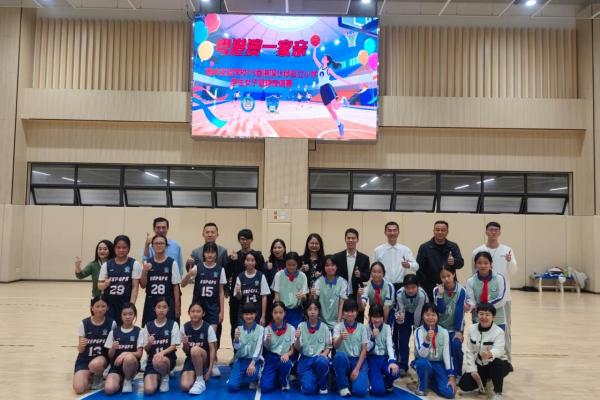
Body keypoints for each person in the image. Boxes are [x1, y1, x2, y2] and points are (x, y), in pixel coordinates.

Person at [472, 222, 517, 362]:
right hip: (481, 300)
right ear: (486, 232)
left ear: (499, 232)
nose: (493, 232)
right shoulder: (477, 251)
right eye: (490, 230)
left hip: (503, 299)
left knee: (505, 330)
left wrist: (509, 261)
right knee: (480, 329)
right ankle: (480, 359)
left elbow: (513, 272)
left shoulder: (507, 250)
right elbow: (474, 275)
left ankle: (506, 360)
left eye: (496, 230)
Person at [181, 241, 226, 378]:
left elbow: (221, 292)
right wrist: (189, 274)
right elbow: (183, 284)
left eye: (212, 252)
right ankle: (197, 360)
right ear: (203, 254)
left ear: (216, 254)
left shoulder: (220, 269)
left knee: (212, 336)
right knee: (198, 333)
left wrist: (222, 311)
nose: (210, 255)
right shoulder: (197, 267)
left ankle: (213, 362)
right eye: (207, 252)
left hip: (213, 307)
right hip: (198, 306)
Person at [458, 303, 512, 400]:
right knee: (464, 385)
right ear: (477, 315)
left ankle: (498, 392)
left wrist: (491, 354)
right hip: (480, 364)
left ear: (493, 317)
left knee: (496, 363)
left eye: (487, 315)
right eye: (481, 314)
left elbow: (499, 350)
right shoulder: (471, 329)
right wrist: (472, 370)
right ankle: (486, 380)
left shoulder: (499, 332)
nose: (484, 317)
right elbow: (469, 351)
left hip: (498, 363)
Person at [227, 230, 266, 344]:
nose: (244, 241)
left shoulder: (257, 256)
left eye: (247, 239)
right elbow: (227, 274)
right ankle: (236, 350)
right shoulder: (234, 256)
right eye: (242, 239)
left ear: (251, 240)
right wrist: (231, 261)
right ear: (239, 240)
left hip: (254, 297)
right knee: (235, 325)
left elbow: (262, 273)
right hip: (237, 297)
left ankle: (256, 349)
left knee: (255, 325)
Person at [73, 296, 116, 395]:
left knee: (95, 364)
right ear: (92, 308)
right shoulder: (84, 323)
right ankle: (89, 375)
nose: (100, 309)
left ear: (107, 308)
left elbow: (111, 350)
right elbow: (80, 350)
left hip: (101, 360)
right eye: (97, 306)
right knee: (79, 389)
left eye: (103, 306)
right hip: (85, 359)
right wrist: (81, 346)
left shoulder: (111, 323)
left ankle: (98, 375)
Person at [413, 303, 457, 399]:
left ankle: (430, 381)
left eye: (433, 315)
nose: (430, 318)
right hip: (424, 362)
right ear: (422, 316)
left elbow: (447, 354)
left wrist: (451, 376)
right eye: (427, 315)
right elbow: (422, 355)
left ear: (437, 316)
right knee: (422, 363)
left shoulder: (444, 332)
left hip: (438, 364)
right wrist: (427, 340)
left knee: (449, 393)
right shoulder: (418, 331)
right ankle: (422, 386)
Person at [98, 235, 142, 325]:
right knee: (110, 328)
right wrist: (105, 284)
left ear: (128, 248)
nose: (121, 250)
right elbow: (99, 286)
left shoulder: (134, 264)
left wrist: (131, 305)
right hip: (109, 305)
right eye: (118, 247)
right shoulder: (106, 265)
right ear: (114, 248)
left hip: (125, 304)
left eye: (124, 247)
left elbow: (135, 287)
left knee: (124, 329)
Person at [140, 234, 181, 326]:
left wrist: (177, 307)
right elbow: (142, 285)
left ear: (166, 246)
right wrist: (144, 271)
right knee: (150, 328)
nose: (159, 245)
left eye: (161, 243)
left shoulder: (172, 263)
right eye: (156, 243)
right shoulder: (147, 262)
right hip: (151, 302)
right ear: (152, 246)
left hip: (167, 301)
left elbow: (176, 287)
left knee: (169, 328)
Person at [141, 297, 180, 394]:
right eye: (159, 307)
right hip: (152, 361)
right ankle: (157, 376)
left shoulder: (173, 324)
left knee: (158, 360)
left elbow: (174, 346)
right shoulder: (148, 325)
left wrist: (161, 353)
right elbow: (146, 349)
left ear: (168, 309)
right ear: (154, 309)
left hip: (167, 359)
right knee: (149, 390)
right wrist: (149, 343)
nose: (161, 310)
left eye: (164, 307)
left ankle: (165, 376)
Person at [312, 45, 353, 137]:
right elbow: (314, 57)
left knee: (336, 107)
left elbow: (336, 76)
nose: (322, 58)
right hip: (322, 90)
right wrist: (315, 47)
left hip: (327, 87)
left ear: (327, 61)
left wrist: (346, 81)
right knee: (330, 110)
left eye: (324, 57)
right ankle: (340, 125)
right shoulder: (320, 67)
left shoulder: (328, 69)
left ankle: (343, 100)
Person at [416, 221, 464, 300]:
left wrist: (454, 262)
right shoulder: (424, 247)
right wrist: (421, 286)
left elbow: (461, 263)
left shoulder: (453, 246)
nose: (440, 232)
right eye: (437, 230)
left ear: (447, 232)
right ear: (433, 231)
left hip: (450, 286)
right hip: (430, 287)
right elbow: (419, 269)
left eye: (443, 230)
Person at [332, 298, 369, 397]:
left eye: (352, 311)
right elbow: (335, 346)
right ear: (343, 313)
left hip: (357, 361)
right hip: (344, 360)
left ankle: (353, 380)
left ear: (357, 313)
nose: (349, 314)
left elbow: (364, 350)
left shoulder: (362, 328)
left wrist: (357, 369)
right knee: (339, 356)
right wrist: (340, 337)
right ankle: (343, 386)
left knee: (360, 391)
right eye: (347, 311)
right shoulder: (338, 327)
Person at [434, 265, 466, 376]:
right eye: (443, 277)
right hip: (441, 327)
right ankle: (444, 371)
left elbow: (459, 312)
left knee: (456, 346)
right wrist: (440, 296)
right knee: (440, 348)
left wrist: (458, 331)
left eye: (448, 275)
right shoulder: (436, 290)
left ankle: (457, 373)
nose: (446, 279)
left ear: (454, 274)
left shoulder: (461, 290)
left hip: (455, 327)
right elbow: (441, 310)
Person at [104, 302, 143, 395]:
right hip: (116, 367)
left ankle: (128, 379)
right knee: (109, 389)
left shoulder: (139, 331)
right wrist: (113, 349)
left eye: (130, 314)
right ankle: (120, 379)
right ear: (120, 316)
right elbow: (110, 355)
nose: (127, 317)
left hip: (131, 365)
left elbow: (139, 354)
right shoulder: (114, 332)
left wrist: (125, 353)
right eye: (124, 314)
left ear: (134, 315)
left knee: (129, 358)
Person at [394, 274, 429, 376]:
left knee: (419, 341)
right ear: (403, 287)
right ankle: (403, 364)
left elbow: (419, 312)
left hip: (420, 316)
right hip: (406, 315)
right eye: (407, 287)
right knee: (403, 341)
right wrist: (399, 318)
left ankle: (417, 362)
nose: (410, 290)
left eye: (413, 287)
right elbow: (400, 309)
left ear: (418, 286)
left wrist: (417, 329)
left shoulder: (421, 295)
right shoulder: (400, 294)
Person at [294, 300, 332, 395]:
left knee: (322, 362)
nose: (312, 312)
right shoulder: (301, 326)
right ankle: (310, 380)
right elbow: (297, 348)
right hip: (305, 360)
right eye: (310, 309)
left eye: (315, 309)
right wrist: (297, 338)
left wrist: (324, 354)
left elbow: (329, 346)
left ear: (319, 311)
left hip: (319, 359)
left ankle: (323, 385)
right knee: (308, 390)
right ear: (306, 311)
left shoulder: (324, 327)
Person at [333, 228, 370, 322]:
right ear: (345, 239)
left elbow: (367, 276)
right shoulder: (337, 257)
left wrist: (360, 275)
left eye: (353, 238)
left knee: (357, 321)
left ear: (357, 240)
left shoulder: (364, 258)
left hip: (357, 295)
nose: (351, 240)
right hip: (340, 294)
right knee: (341, 321)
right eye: (348, 238)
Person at [180, 302, 217, 395]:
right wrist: (185, 344)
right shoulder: (184, 328)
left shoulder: (208, 328)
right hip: (191, 359)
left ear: (203, 313)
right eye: (193, 311)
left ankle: (200, 381)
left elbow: (212, 350)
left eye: (198, 311)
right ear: (188, 313)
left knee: (195, 349)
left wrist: (209, 370)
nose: (195, 314)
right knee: (185, 386)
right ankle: (196, 374)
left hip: (204, 359)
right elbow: (185, 351)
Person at [227, 303, 264, 392]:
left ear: (255, 314)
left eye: (251, 314)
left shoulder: (261, 329)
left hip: (253, 361)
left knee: (253, 374)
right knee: (232, 387)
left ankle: (255, 377)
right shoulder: (238, 329)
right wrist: (236, 339)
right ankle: (241, 377)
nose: (249, 316)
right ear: (242, 315)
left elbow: (259, 348)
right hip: (241, 361)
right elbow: (236, 348)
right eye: (246, 314)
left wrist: (253, 363)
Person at [373, 221, 419, 292]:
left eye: (394, 230)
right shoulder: (378, 250)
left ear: (398, 232)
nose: (392, 233)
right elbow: (373, 270)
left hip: (401, 287)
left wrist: (409, 265)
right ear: (385, 232)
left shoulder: (405, 250)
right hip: (383, 286)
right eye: (389, 230)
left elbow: (416, 266)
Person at [466, 252, 507, 329]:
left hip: (497, 319)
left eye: (486, 263)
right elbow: (471, 300)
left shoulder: (499, 278)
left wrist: (483, 307)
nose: (482, 266)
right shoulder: (470, 281)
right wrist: (469, 306)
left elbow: (502, 299)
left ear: (491, 264)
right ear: (475, 265)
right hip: (478, 319)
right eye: (479, 263)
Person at [366, 304, 400, 396]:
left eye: (379, 317)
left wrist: (392, 361)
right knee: (378, 391)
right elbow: (367, 349)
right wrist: (373, 337)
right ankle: (373, 379)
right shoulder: (366, 328)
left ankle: (387, 383)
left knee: (395, 371)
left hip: (385, 358)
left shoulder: (387, 327)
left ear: (383, 317)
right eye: (374, 317)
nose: (377, 320)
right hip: (372, 359)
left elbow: (389, 345)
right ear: (370, 317)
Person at [261, 301, 295, 393]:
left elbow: (293, 350)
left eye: (281, 312)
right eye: (275, 312)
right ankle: (276, 376)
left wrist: (287, 354)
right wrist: (267, 341)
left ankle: (284, 379)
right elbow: (267, 348)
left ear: (285, 313)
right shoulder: (267, 329)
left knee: (286, 363)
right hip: (271, 359)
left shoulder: (291, 329)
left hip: (284, 358)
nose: (278, 315)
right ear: (272, 314)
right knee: (265, 387)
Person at [272, 252, 309, 328]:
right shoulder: (279, 275)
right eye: (289, 265)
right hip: (282, 311)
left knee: (296, 332)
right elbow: (276, 295)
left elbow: (305, 297)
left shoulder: (302, 276)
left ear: (297, 264)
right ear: (285, 263)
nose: (291, 267)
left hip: (297, 311)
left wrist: (302, 296)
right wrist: (279, 311)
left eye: (294, 265)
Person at [311, 255, 348, 329]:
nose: (330, 268)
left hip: (336, 322)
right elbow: (314, 301)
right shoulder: (319, 281)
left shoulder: (342, 282)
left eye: (333, 265)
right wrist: (313, 294)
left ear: (337, 267)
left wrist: (338, 323)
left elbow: (341, 304)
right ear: (324, 267)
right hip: (321, 322)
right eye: (327, 265)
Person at [234, 251, 270, 325]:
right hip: (243, 313)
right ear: (244, 262)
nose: (250, 262)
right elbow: (238, 297)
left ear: (256, 262)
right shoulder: (240, 276)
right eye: (247, 260)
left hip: (257, 312)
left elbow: (264, 297)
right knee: (242, 332)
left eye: (252, 260)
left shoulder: (261, 276)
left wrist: (263, 316)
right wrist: (238, 292)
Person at [264, 239, 286, 324]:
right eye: (275, 248)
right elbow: (265, 283)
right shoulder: (268, 264)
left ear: (284, 248)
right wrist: (267, 270)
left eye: (279, 247)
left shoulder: (288, 263)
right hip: (271, 300)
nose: (277, 250)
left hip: (286, 298)